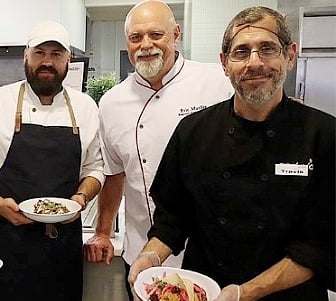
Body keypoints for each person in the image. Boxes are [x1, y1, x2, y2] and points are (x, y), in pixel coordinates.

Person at [128, 6, 335, 301]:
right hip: (206, 291)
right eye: (241, 52)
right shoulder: (193, 131)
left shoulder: (324, 135)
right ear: (225, 63)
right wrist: (148, 258)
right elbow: (172, 220)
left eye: (267, 49)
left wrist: (244, 293)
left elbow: (320, 245)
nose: (254, 62)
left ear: (289, 56)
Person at [83, 1, 233, 299]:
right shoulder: (113, 102)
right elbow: (114, 174)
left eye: (156, 34)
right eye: (136, 37)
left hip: (209, 250)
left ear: (176, 35)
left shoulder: (217, 82)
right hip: (142, 252)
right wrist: (102, 231)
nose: (146, 45)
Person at [0, 21, 104, 301]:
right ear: (26, 56)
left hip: (61, 248)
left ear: (68, 60)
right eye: (40, 53)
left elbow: (95, 169)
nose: (47, 62)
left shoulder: (85, 107)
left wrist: (81, 198)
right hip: (2, 242)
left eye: (55, 54)